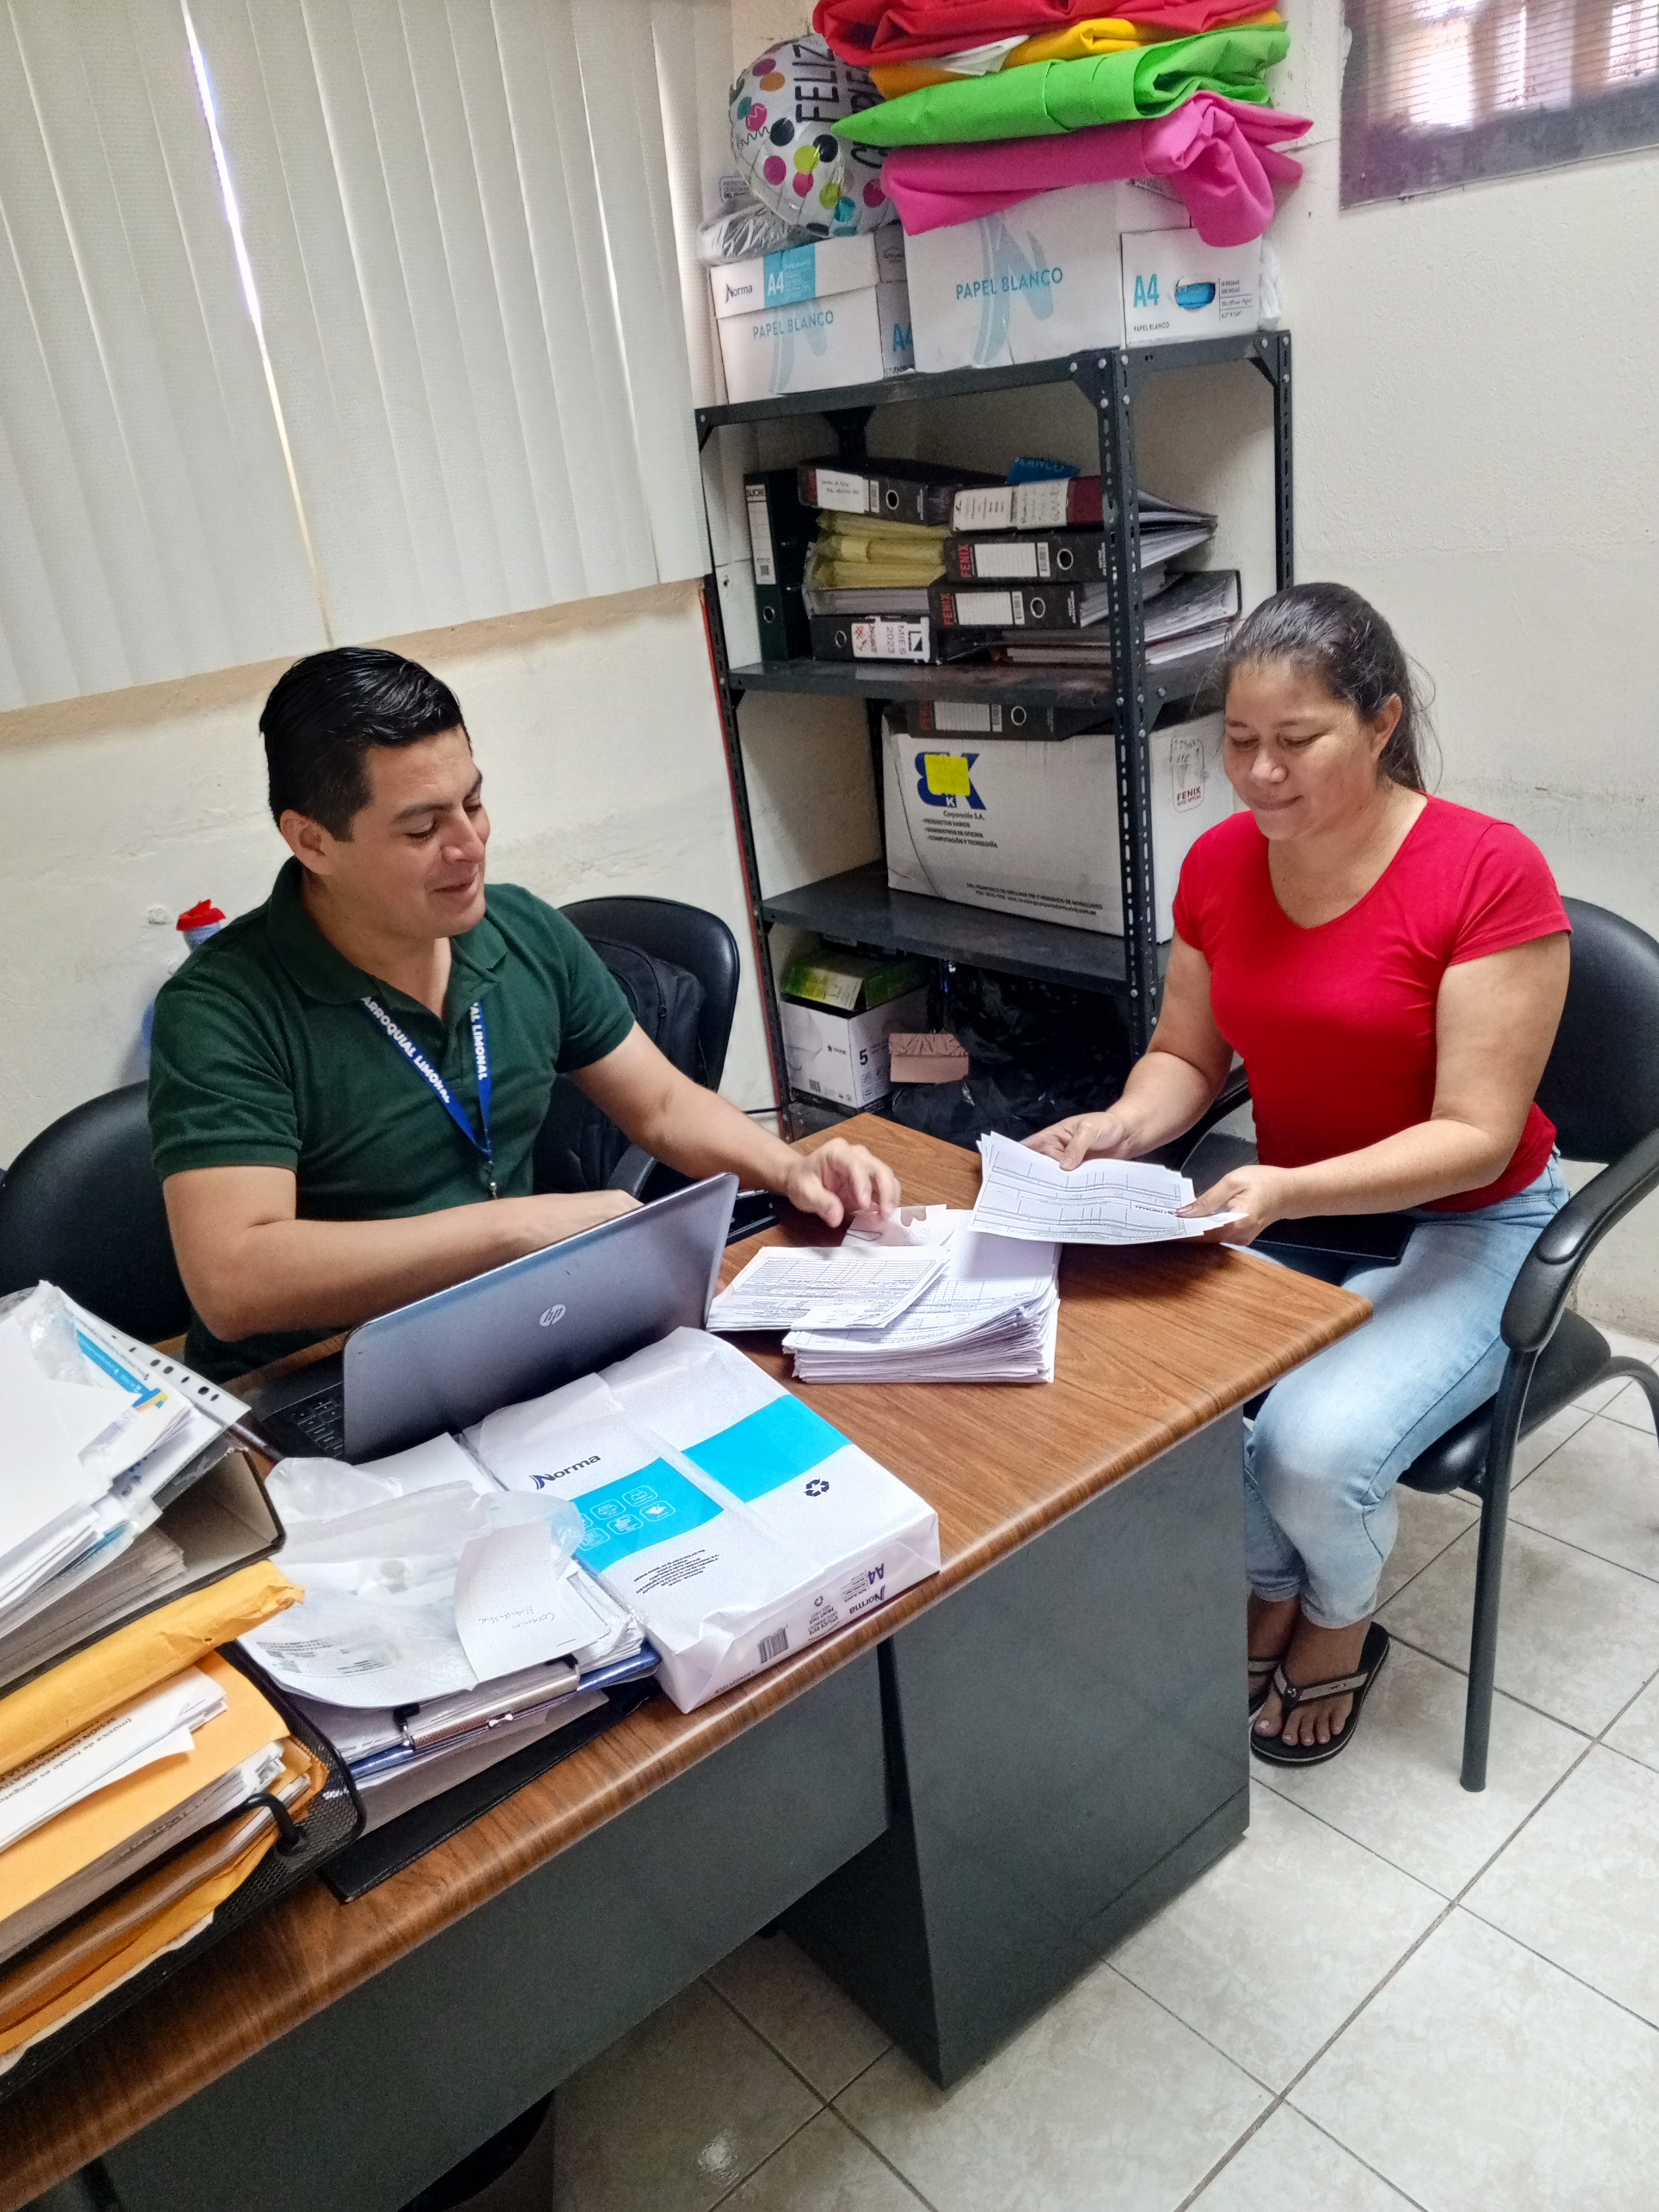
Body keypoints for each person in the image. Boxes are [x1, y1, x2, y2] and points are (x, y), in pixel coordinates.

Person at [1027, 584, 1570, 1767]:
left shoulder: (1489, 870)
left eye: (1296, 739)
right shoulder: (1222, 865)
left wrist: (1285, 1190)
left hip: (1475, 1222)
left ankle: (1336, 1614)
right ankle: (1274, 1579)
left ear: (1380, 723)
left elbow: (1477, 1135)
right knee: (1143, 1390)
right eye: (1238, 740)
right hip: (1303, 1208)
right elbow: (1187, 1056)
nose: (1260, 773)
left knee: (1312, 1450)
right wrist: (1119, 1128)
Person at [149, 646, 900, 1384]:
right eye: (422, 830)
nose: (469, 846)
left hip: (502, 1335)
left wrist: (791, 1167)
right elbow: (235, 1281)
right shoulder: (224, 1007)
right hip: (314, 1381)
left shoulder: (521, 930)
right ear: (313, 842)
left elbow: (664, 1105)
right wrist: (514, 1232)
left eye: (473, 804)